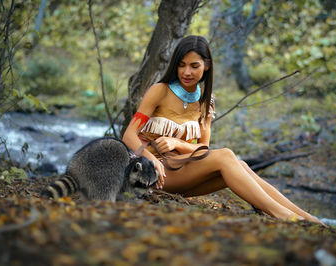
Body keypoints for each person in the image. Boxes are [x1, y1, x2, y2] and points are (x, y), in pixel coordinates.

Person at [122, 35, 324, 225]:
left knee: (241, 166)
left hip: (180, 171)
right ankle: (283, 215)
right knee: (226, 155)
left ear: (207, 66)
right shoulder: (160, 91)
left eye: (194, 66)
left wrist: (177, 143)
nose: (187, 72)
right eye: (181, 65)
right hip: (149, 174)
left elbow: (202, 150)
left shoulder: (206, 101)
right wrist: (152, 159)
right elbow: (129, 135)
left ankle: (307, 217)